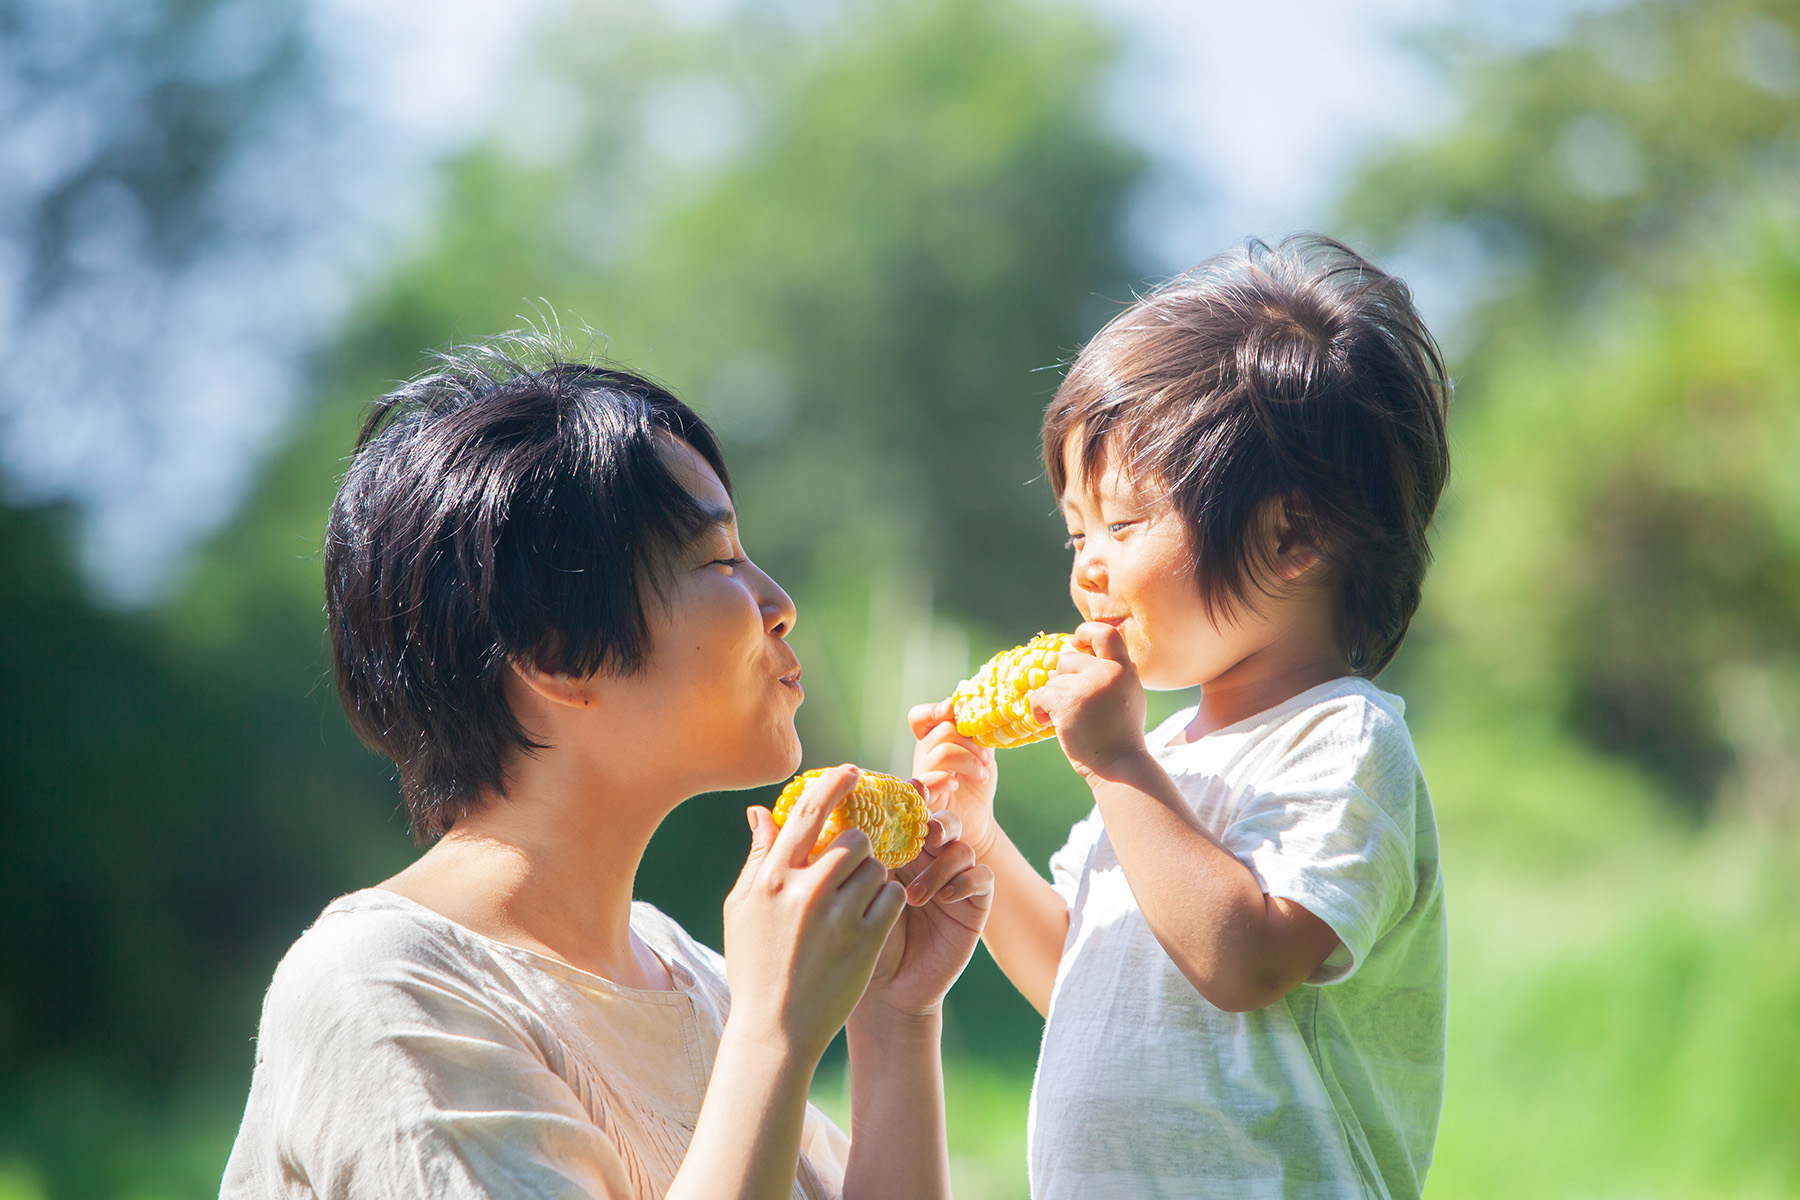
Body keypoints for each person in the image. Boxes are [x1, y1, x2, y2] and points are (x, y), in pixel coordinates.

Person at [221, 337, 993, 1200]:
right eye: (721, 559)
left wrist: (892, 1023)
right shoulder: (384, 991)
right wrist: (773, 1036)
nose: (779, 604)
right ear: (556, 654)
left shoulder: (690, 975)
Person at [910, 235, 1452, 1199]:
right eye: (1077, 532)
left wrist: (1114, 763)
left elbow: (1244, 961)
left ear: (1293, 533)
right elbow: (1077, 982)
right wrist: (979, 835)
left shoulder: (1344, 741)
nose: (1086, 568)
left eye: (1123, 526)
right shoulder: (1161, 757)